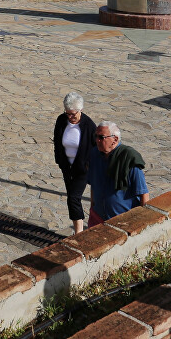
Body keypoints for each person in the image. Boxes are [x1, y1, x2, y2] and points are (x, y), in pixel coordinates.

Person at [86, 121, 149, 225]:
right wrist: (92, 206)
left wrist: (142, 222)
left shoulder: (129, 159)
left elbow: (143, 194)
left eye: (101, 137)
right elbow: (93, 183)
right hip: (97, 217)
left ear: (114, 139)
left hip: (122, 221)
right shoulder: (94, 154)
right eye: (95, 136)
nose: (97, 140)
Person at [54, 92, 97, 235]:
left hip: (82, 169)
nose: (70, 117)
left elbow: (96, 148)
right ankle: (78, 229)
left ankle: (79, 233)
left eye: (73, 114)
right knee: (71, 198)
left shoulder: (89, 126)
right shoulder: (61, 120)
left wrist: (89, 165)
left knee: (74, 198)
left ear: (81, 110)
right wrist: (59, 161)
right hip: (67, 167)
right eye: (67, 114)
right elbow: (57, 142)